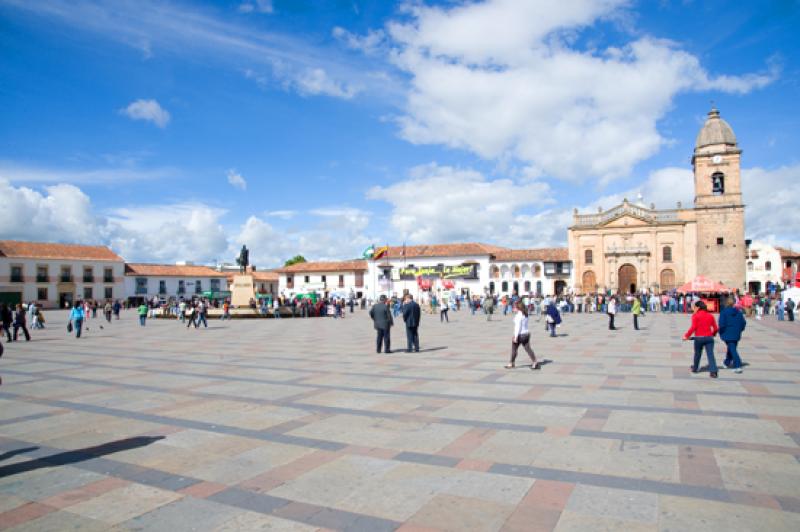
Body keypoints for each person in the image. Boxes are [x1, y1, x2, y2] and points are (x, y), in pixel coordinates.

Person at [683, 300, 719, 378]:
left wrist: (686, 336)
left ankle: (695, 368)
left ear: (698, 307)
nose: (693, 308)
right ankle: (713, 371)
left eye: (694, 307)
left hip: (699, 338)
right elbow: (716, 328)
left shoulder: (695, 316)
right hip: (709, 338)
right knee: (710, 354)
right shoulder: (710, 315)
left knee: (697, 354)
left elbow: (693, 327)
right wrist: (713, 334)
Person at [719, 297, 746, 374]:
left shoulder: (724, 312)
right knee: (731, 348)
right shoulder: (739, 312)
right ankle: (726, 362)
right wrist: (740, 329)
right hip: (736, 333)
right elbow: (743, 323)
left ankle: (737, 365)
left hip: (727, 333)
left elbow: (722, 324)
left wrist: (721, 331)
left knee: (732, 349)